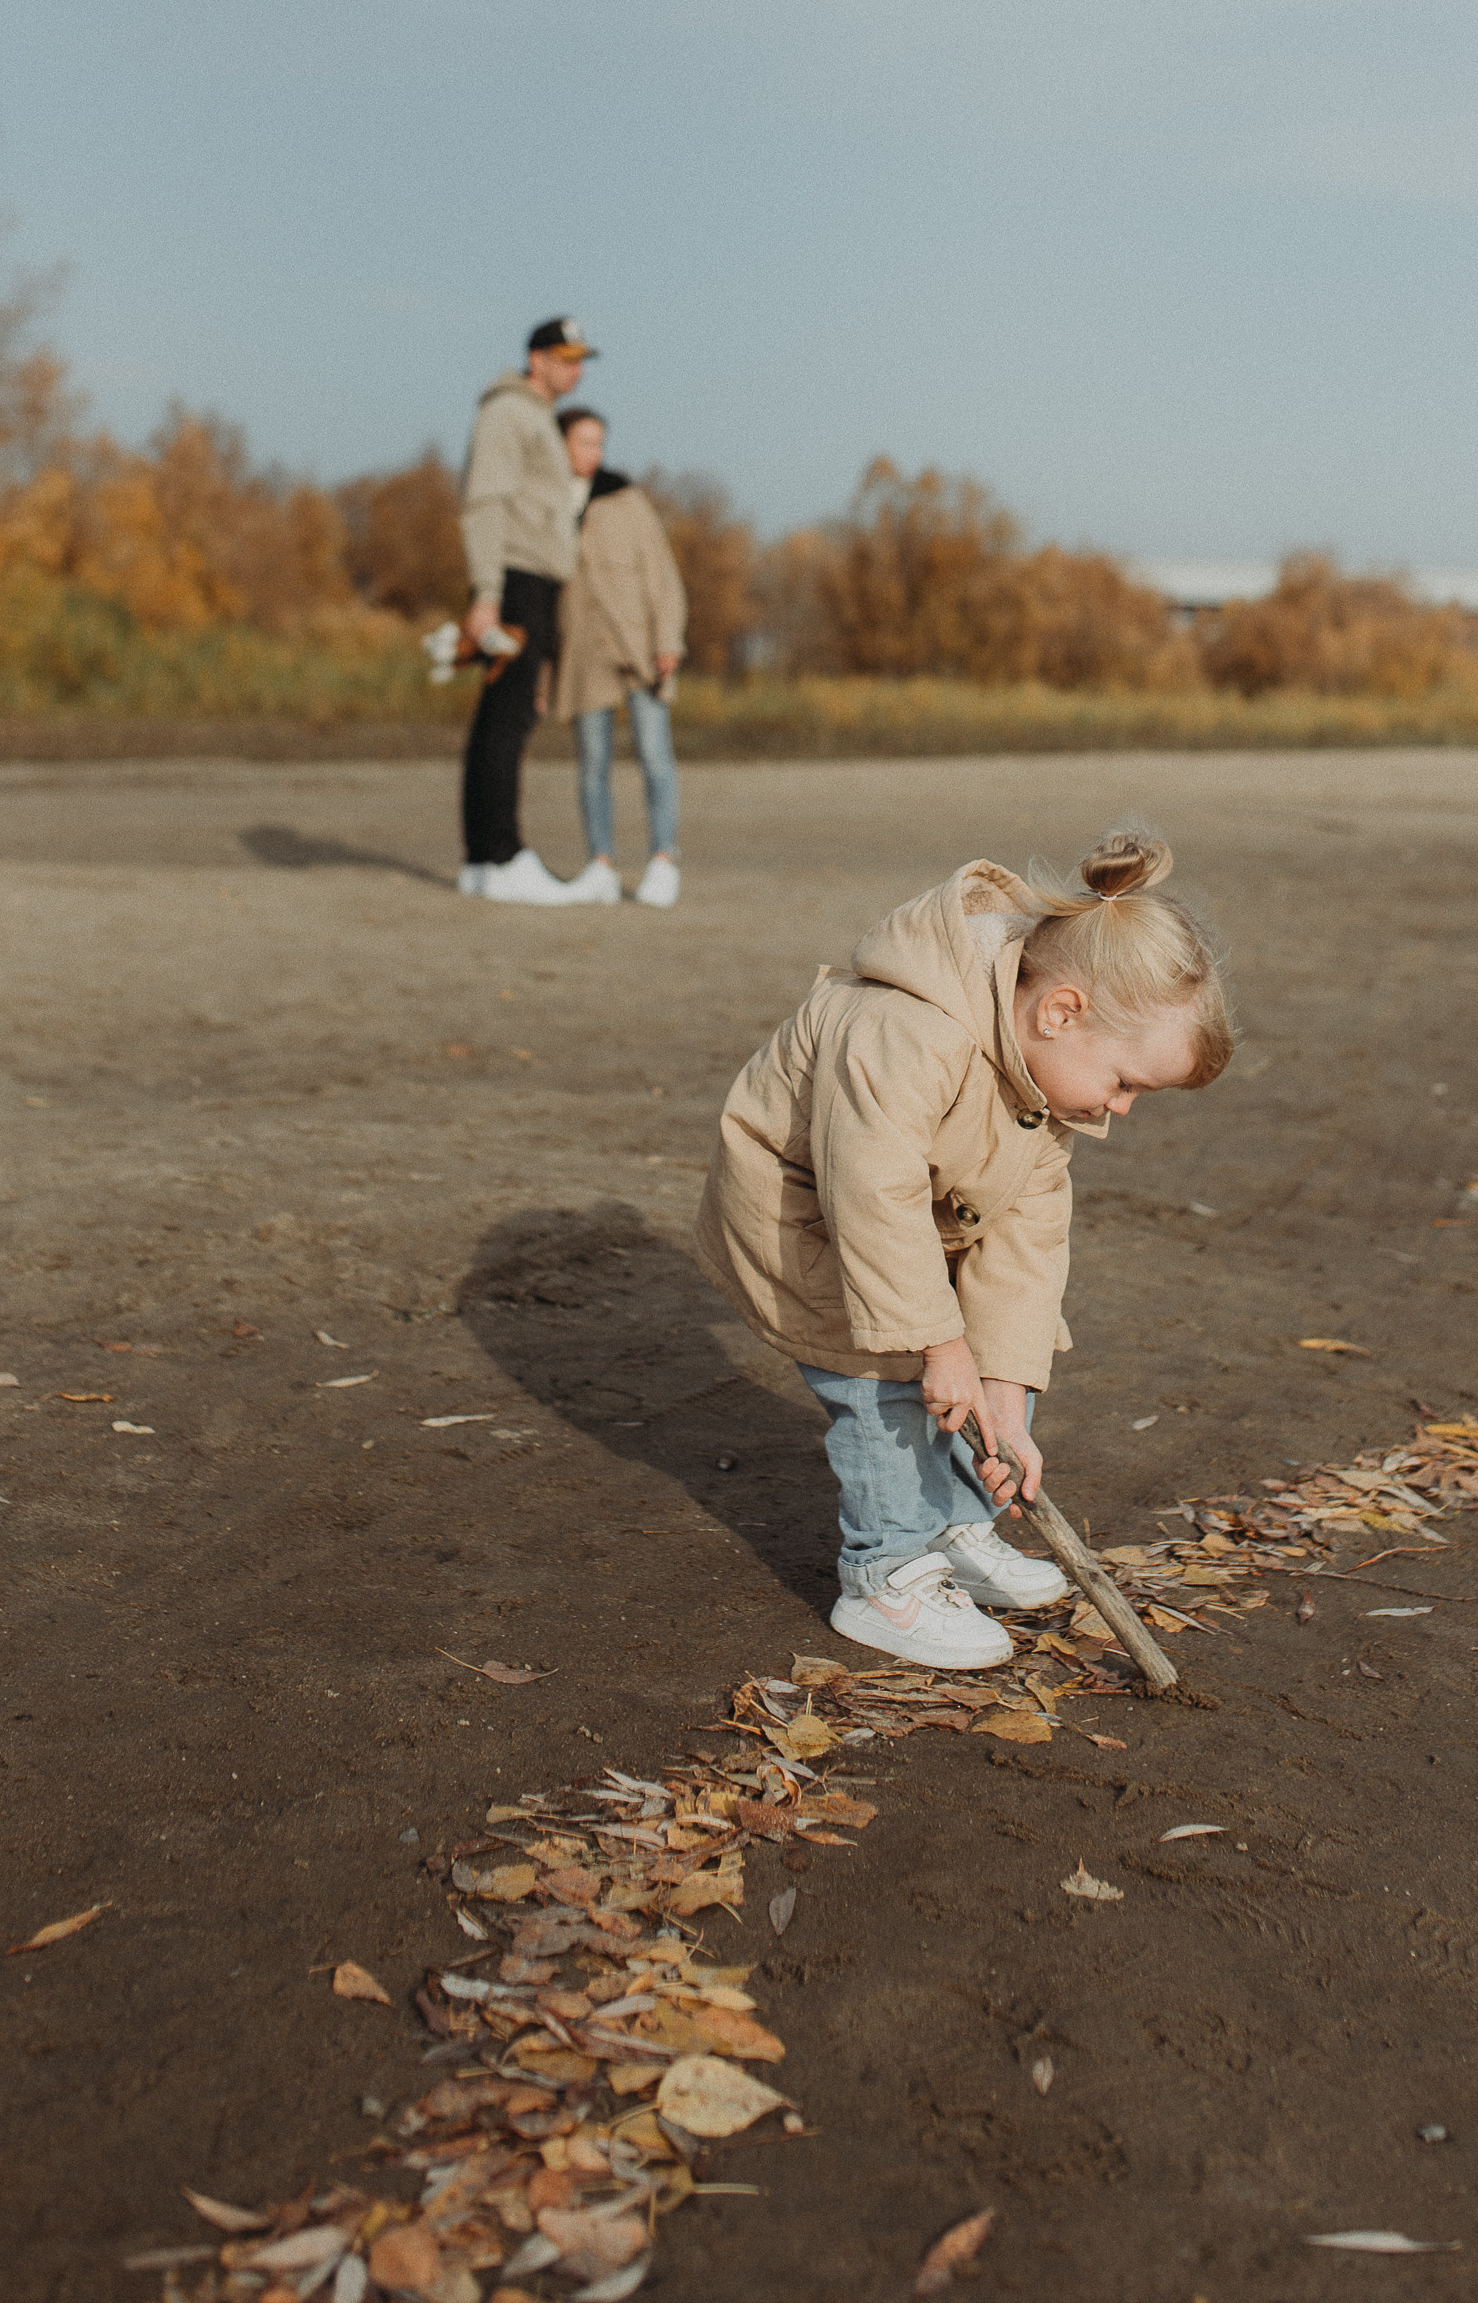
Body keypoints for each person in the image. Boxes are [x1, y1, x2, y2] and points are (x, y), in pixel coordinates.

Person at [695, 832, 1234, 1668]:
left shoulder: (1043, 1075)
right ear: (1060, 1011)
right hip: (805, 1214)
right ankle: (886, 1573)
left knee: (965, 1367)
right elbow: (871, 1196)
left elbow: (1027, 1237)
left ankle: (952, 1522)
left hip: (922, 1217)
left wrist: (1003, 1391)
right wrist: (938, 1344)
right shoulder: (905, 1028)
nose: (1121, 1109)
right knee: (878, 1371)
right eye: (1126, 1082)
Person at [456, 317, 596, 904]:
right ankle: (503, 855)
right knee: (507, 718)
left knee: (502, 715)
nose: (576, 369)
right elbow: (484, 502)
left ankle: (484, 861)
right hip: (515, 580)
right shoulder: (509, 414)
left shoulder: (534, 417)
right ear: (535, 359)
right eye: (564, 358)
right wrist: (487, 593)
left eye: (580, 358)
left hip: (531, 580)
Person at [551, 407, 687, 910]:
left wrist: (667, 639)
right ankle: (600, 865)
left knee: (654, 756)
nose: (594, 453)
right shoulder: (546, 502)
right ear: (559, 443)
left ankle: (663, 860)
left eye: (599, 443)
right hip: (582, 653)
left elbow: (662, 572)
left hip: (639, 648)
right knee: (592, 763)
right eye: (584, 442)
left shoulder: (627, 500)